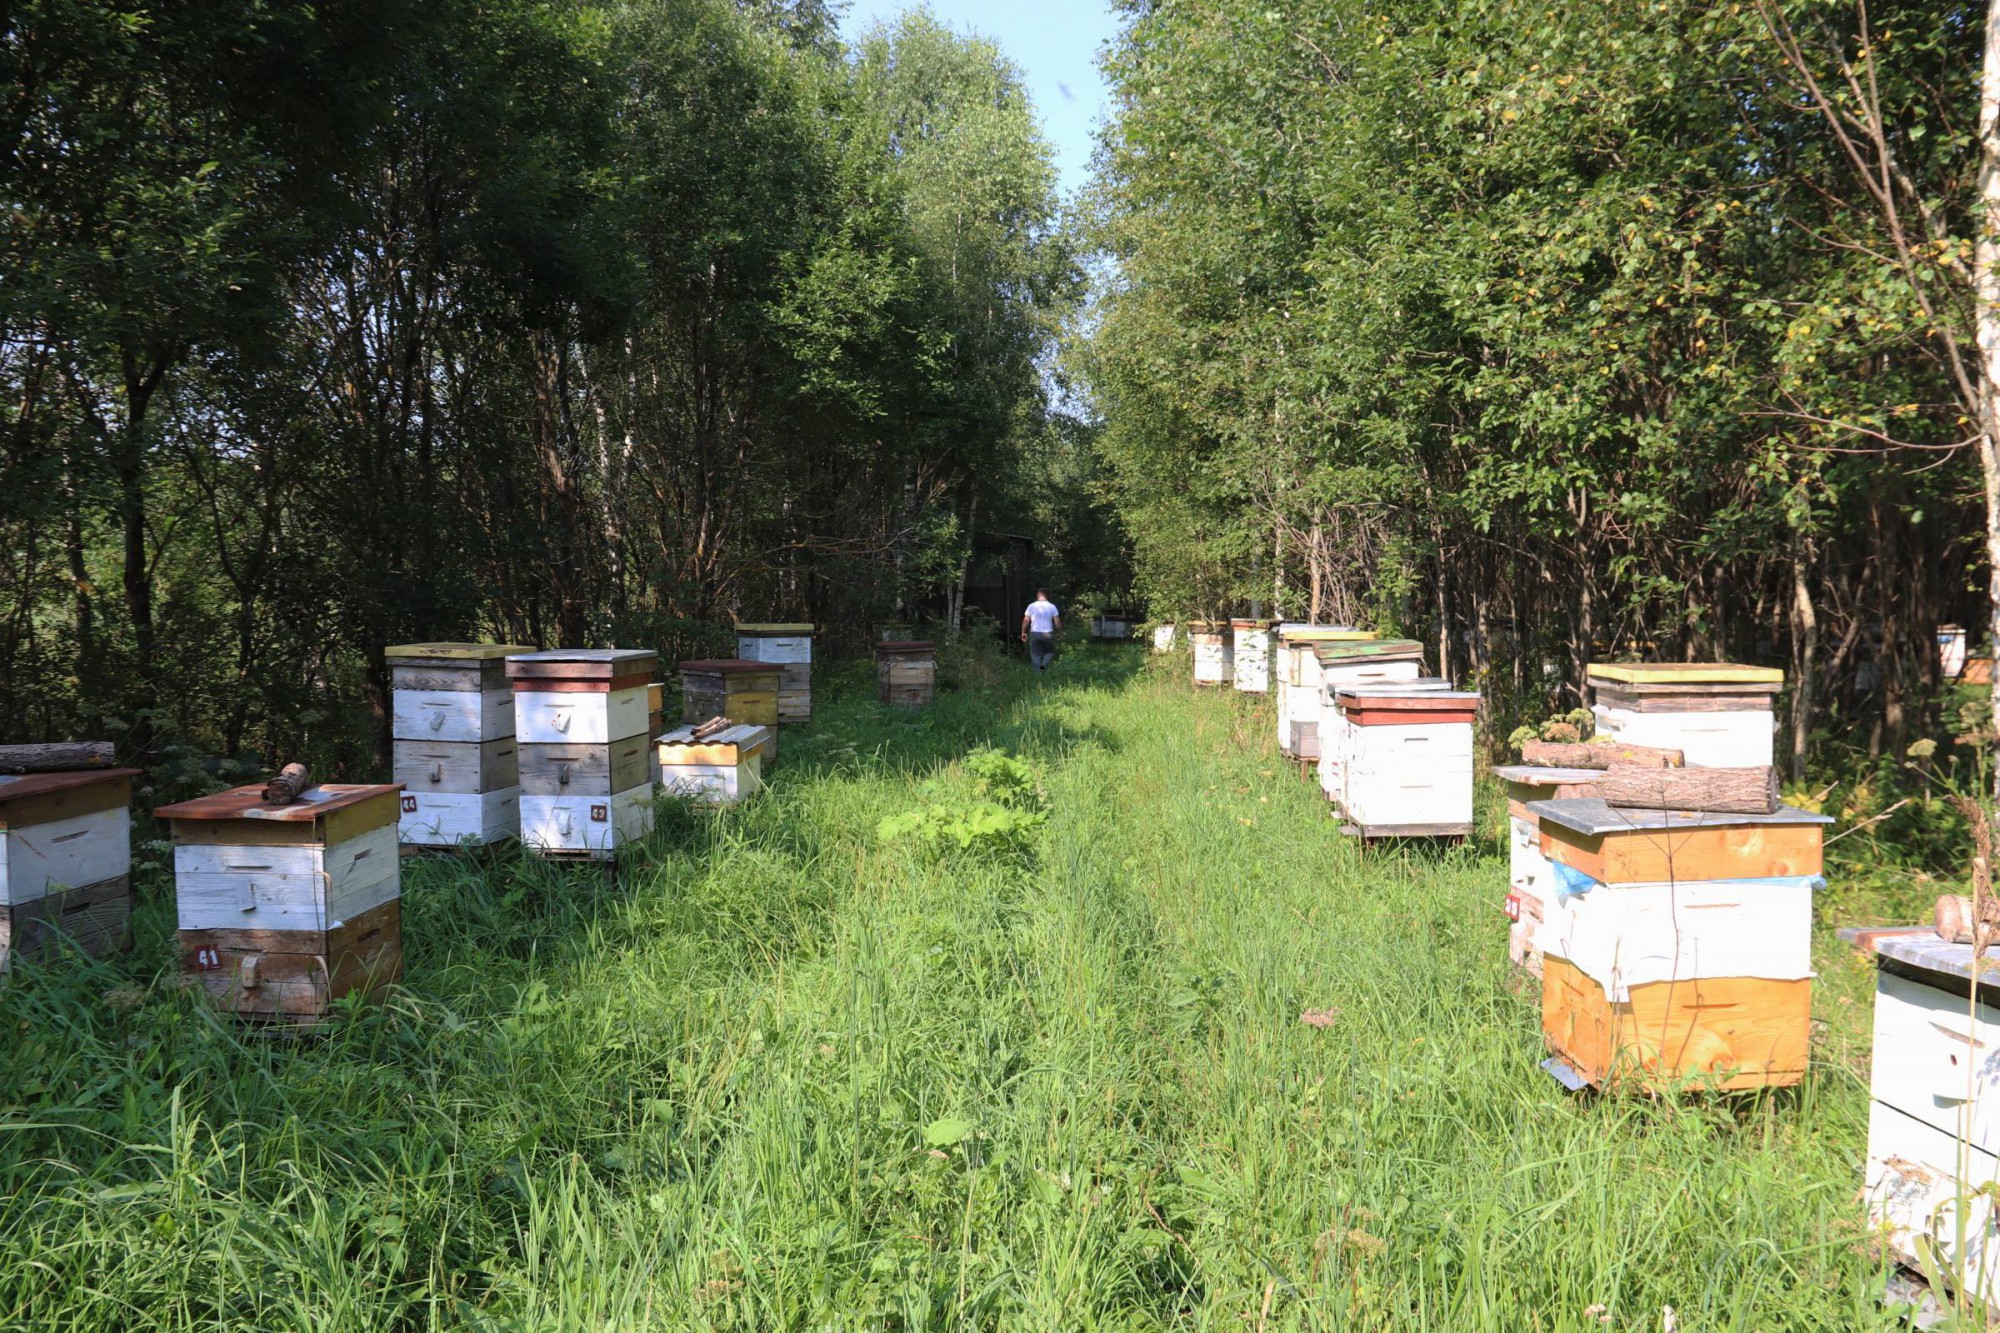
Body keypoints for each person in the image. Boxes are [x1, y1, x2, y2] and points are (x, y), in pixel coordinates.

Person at [1020, 589, 1061, 672]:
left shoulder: (1031, 606)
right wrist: (1059, 633)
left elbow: (1026, 620)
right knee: (1050, 652)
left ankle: (1037, 675)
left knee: (1035, 655)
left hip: (1035, 633)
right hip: (1048, 634)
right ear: (1047, 596)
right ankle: (1044, 665)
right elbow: (1057, 622)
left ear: (1038, 595)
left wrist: (1023, 632)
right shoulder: (1052, 606)